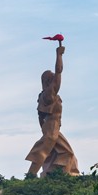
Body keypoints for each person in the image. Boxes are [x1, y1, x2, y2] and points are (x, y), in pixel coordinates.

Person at [25, 44, 80, 176]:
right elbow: (59, 70)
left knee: (66, 152)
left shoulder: (44, 96)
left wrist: (45, 129)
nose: (55, 78)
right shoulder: (49, 94)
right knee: (42, 152)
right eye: (52, 77)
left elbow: (40, 117)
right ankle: (31, 176)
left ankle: (55, 173)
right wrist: (59, 55)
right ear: (49, 81)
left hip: (51, 127)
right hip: (52, 127)